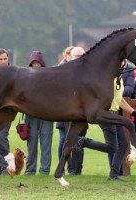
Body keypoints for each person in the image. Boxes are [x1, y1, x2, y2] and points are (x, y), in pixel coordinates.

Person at [76, 73, 136, 180]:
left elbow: (120, 100)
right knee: (112, 147)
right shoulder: (106, 78)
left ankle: (114, 175)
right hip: (106, 115)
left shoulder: (119, 79)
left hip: (115, 114)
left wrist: (134, 112)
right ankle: (83, 142)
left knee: (123, 144)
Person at [56, 46, 87, 175]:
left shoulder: (87, 72)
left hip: (81, 113)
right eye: (77, 56)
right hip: (65, 112)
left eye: (82, 56)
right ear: (70, 57)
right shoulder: (62, 71)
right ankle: (65, 167)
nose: (80, 59)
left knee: (80, 140)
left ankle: (77, 169)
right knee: (65, 140)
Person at [24, 51, 54, 175]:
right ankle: (30, 170)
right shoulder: (25, 78)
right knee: (31, 144)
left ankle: (44, 170)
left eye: (38, 63)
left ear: (42, 64)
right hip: (31, 115)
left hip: (46, 115)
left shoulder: (50, 77)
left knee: (46, 143)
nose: (36, 65)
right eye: (34, 63)